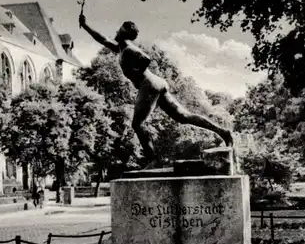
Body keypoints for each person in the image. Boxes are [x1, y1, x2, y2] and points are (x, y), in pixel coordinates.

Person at [79, 14, 233, 168]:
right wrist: (85, 25)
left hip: (149, 84)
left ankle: (153, 159)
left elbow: (146, 59)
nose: (115, 32)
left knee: (137, 124)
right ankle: (223, 132)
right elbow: (102, 39)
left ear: (123, 32)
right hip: (156, 82)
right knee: (184, 116)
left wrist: (137, 72)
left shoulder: (127, 48)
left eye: (118, 30)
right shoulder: (120, 48)